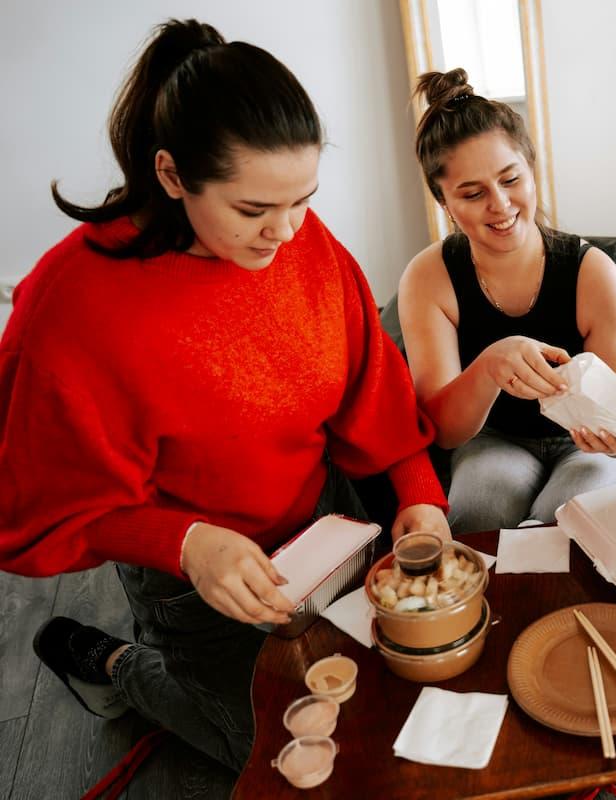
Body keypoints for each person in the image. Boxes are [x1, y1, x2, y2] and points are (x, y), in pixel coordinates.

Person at [0, 19, 449, 771]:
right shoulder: (72, 305)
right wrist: (184, 544)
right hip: (195, 578)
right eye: (252, 211)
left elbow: (372, 385)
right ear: (173, 176)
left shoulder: (302, 243)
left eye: (303, 199)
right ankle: (114, 665)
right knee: (290, 758)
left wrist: (417, 489)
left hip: (325, 532)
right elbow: (34, 501)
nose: (285, 233)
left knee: (394, 713)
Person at [397, 69, 616, 533]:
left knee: (566, 520)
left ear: (531, 169)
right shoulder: (428, 278)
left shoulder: (591, 273)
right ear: (444, 202)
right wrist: (490, 366)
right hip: (492, 442)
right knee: (477, 518)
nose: (499, 204)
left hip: (585, 447)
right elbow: (444, 431)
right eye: (472, 194)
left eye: (510, 179)